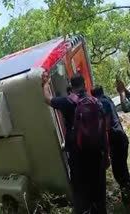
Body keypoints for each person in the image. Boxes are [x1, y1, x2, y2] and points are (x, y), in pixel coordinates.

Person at [42, 72, 107, 214]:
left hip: (78, 157)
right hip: (96, 154)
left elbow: (48, 99)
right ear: (84, 84)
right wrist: (106, 155)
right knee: (99, 189)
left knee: (81, 191)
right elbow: (103, 131)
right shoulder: (95, 102)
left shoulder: (67, 101)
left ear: (71, 86)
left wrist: (46, 83)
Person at [91, 85, 130, 209]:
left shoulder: (101, 103)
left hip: (115, 139)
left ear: (94, 96)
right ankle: (126, 197)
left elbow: (107, 128)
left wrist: (107, 150)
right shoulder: (109, 99)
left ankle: (127, 200)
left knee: (119, 172)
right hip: (122, 137)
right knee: (123, 170)